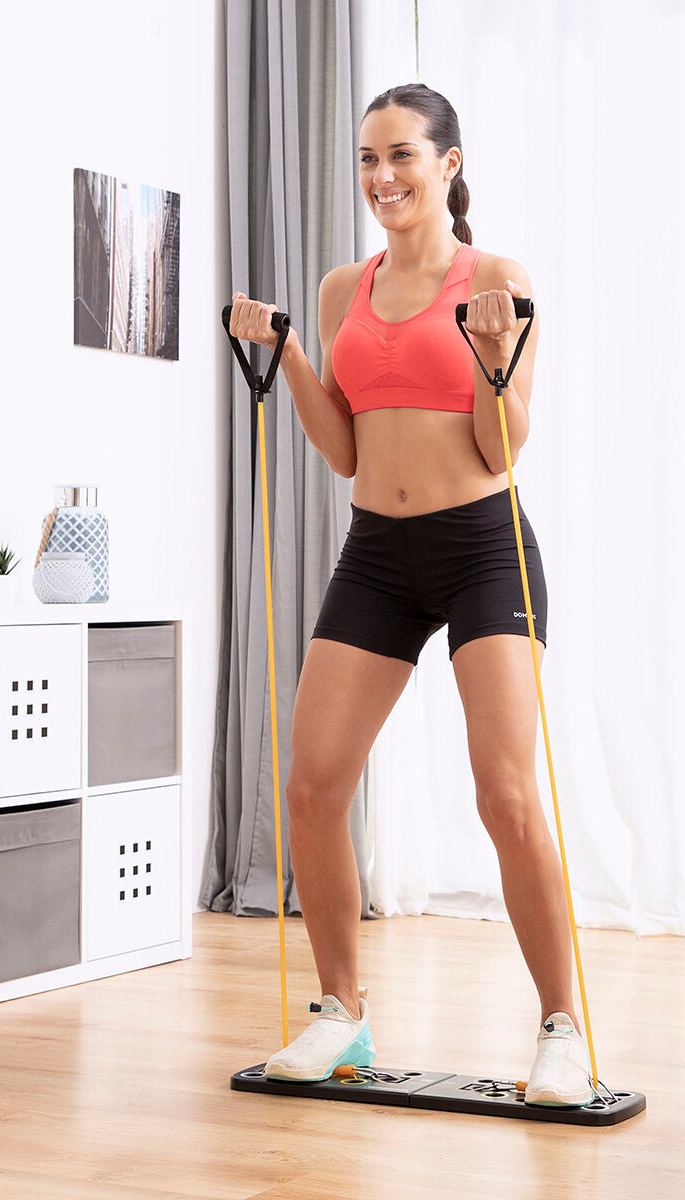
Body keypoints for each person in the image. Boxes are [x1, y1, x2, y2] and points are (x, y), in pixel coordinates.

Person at [227, 83, 592, 1107]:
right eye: (366, 160)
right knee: (312, 784)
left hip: (481, 549)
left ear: (449, 165)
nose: (382, 177)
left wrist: (490, 358)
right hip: (378, 553)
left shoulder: (496, 279)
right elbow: (344, 449)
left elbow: (502, 445)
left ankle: (561, 1028)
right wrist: (293, 352)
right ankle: (342, 1013)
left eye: (401, 156)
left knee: (506, 793)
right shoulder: (348, 286)